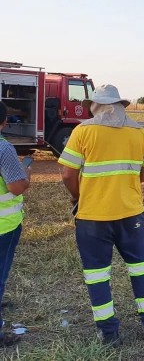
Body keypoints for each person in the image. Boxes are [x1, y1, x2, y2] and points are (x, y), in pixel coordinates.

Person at [57, 85, 144, 346]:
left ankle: (109, 332)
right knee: (140, 268)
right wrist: (126, 183)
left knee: (97, 275)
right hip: (131, 214)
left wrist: (78, 197)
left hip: (92, 217)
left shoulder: (83, 131)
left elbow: (68, 174)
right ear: (121, 106)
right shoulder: (140, 134)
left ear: (96, 106)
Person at [0, 102, 31, 347]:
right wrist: (26, 173)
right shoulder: (4, 149)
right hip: (4, 226)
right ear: (4, 123)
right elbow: (16, 186)